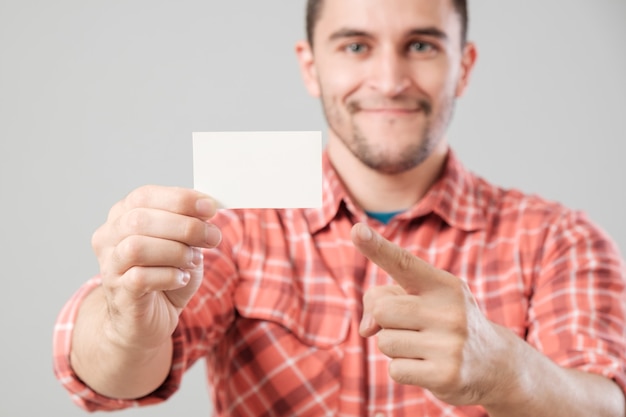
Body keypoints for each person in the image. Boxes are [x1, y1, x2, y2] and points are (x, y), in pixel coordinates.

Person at [53, 0, 626, 415]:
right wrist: (128, 323)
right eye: (356, 45)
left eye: (421, 45)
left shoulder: (561, 239)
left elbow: (606, 404)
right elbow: (108, 383)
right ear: (311, 66)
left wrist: (505, 370)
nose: (390, 79)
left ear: (465, 65)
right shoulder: (234, 230)